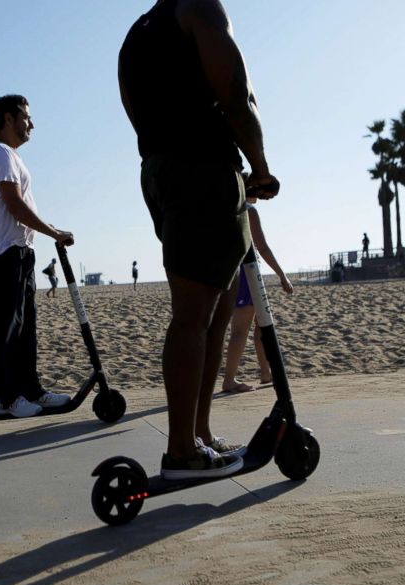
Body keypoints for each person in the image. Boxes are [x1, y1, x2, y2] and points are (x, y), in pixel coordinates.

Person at [119, 0, 280, 479]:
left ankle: (201, 435)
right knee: (192, 314)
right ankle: (182, 452)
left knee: (216, 306)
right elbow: (236, 92)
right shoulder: (199, 8)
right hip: (202, 168)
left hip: (160, 170)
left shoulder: (135, 35)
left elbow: (138, 116)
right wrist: (262, 168)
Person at [0, 94, 74, 418]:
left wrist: (48, 231)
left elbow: (22, 207)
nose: (31, 123)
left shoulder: (11, 156)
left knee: (25, 328)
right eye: (26, 117)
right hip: (4, 253)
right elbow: (14, 205)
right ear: (8, 118)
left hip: (20, 252)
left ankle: (30, 390)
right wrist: (53, 233)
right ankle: (5, 398)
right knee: (6, 328)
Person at [221, 198, 293, 393]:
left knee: (262, 323)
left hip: (237, 270)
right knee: (241, 329)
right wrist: (282, 275)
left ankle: (266, 372)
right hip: (247, 271)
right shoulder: (248, 210)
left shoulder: (224, 207)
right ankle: (229, 380)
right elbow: (262, 247)